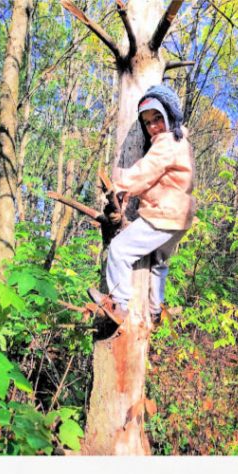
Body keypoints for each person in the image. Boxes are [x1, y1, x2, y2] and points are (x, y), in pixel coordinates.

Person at [89, 84, 195, 325]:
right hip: (180, 217)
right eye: (147, 122)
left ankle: (119, 305)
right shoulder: (182, 144)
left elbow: (145, 172)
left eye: (158, 118)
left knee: (120, 250)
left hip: (163, 215)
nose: (153, 126)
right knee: (159, 262)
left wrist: (118, 182)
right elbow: (157, 179)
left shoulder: (168, 143)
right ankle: (155, 309)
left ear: (170, 115)